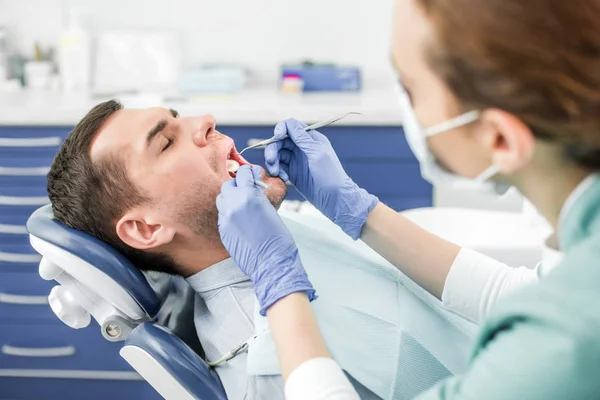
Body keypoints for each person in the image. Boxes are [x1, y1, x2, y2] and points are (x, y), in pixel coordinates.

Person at [215, 0, 600, 398]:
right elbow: (521, 294)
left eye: (411, 87)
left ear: (500, 138)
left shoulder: (562, 349)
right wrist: (358, 210)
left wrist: (279, 288)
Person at [48, 100, 485, 399]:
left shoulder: (279, 227)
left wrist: (356, 209)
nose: (204, 120)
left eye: (178, 118)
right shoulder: (262, 365)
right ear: (146, 229)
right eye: (166, 141)